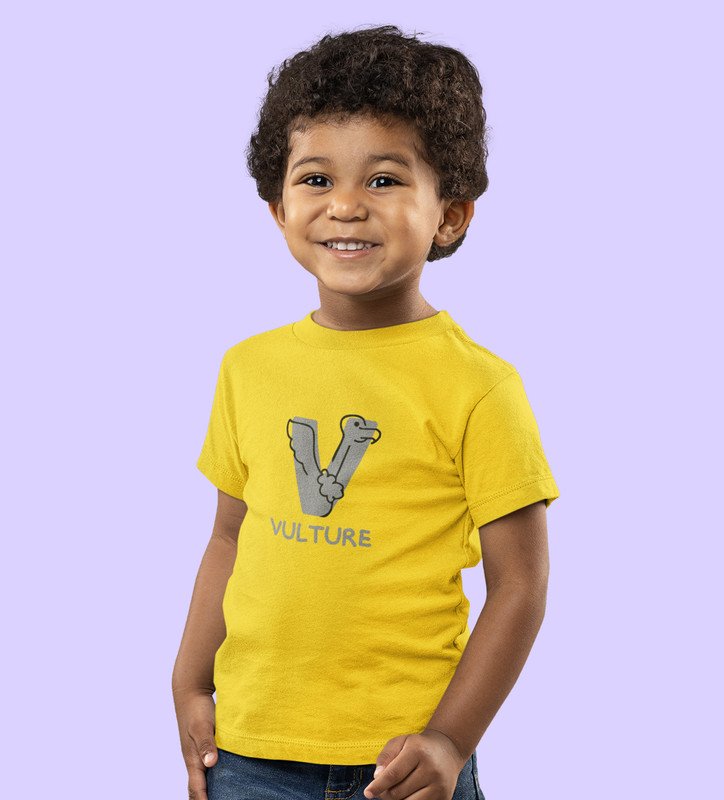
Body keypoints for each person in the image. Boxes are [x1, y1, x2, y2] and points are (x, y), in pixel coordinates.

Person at [172, 24, 560, 800]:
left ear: (449, 214)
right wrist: (188, 680)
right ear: (278, 208)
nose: (345, 205)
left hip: (400, 762)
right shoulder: (247, 367)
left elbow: (518, 584)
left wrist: (449, 740)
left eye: (383, 180)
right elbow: (229, 535)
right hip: (247, 753)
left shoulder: (479, 386)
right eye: (316, 178)